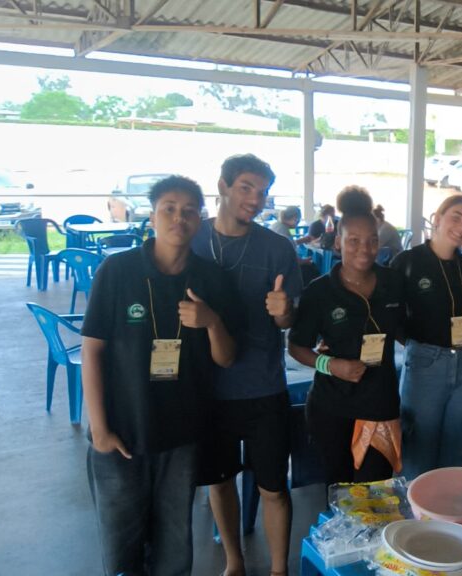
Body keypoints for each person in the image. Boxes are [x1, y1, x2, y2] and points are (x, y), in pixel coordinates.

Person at [81, 175, 239, 576]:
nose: (178, 218)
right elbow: (92, 350)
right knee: (121, 547)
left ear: (200, 220)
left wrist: (212, 322)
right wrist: (99, 430)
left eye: (189, 211)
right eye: (168, 208)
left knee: (174, 547)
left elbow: (226, 359)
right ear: (151, 216)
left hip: (180, 434)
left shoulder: (211, 278)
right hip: (121, 432)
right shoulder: (117, 271)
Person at [191, 154, 303, 576]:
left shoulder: (277, 247)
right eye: (246, 188)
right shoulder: (193, 240)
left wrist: (283, 311)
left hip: (263, 386)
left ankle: (278, 569)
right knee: (220, 482)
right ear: (222, 185)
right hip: (208, 388)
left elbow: (289, 320)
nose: (255, 200)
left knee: (273, 486)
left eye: (262, 192)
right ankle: (234, 562)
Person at [288, 189, 405, 485]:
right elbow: (296, 346)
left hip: (380, 404)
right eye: (354, 240)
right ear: (338, 242)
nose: (364, 249)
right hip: (332, 407)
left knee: (376, 493)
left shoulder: (394, 283)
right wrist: (331, 365)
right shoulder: (319, 291)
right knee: (337, 490)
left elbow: (414, 324)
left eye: (372, 241)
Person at [390, 194, 462, 479]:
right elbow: (392, 316)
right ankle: (418, 517)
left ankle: (451, 510)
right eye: (456, 216)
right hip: (425, 361)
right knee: (419, 445)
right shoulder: (407, 261)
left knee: (460, 442)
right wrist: (419, 347)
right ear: (437, 217)